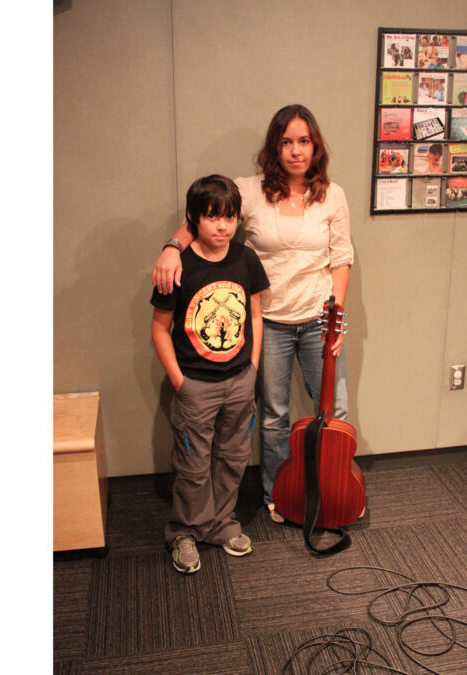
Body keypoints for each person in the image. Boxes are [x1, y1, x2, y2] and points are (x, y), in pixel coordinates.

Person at [152, 104, 353, 524]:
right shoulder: (251, 190)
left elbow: (341, 259)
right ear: (274, 147)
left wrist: (337, 313)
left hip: (319, 319)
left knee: (334, 412)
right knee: (275, 416)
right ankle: (279, 495)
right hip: (270, 322)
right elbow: (206, 214)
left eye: (304, 141)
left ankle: (332, 491)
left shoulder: (332, 195)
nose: (295, 151)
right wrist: (172, 246)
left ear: (315, 146)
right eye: (286, 142)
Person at [151, 174, 270, 573]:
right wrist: (179, 382)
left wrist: (252, 367)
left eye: (230, 217)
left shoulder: (245, 259)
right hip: (195, 384)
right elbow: (158, 329)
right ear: (192, 219)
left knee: (234, 457)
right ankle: (184, 531)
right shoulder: (178, 267)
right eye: (212, 217)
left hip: (240, 379)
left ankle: (221, 523)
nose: (222, 225)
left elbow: (255, 314)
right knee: (193, 462)